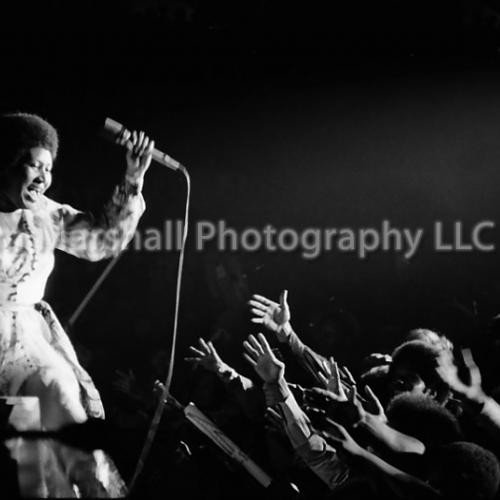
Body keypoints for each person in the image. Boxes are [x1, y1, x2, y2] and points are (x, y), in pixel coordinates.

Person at [0, 112, 153, 431]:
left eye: (49, 168)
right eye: (34, 165)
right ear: (8, 164)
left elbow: (102, 241)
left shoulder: (45, 214)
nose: (43, 177)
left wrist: (132, 179)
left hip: (26, 341)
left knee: (59, 408)